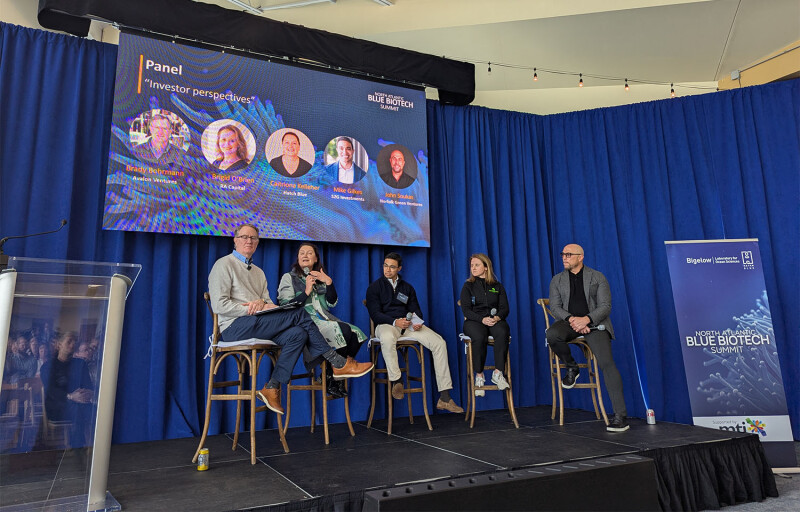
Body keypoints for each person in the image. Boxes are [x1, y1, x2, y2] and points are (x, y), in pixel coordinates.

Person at [208, 223, 373, 414]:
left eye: (253, 238)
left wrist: (263, 303)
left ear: (257, 243)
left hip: (258, 323)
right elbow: (219, 306)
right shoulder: (223, 264)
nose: (249, 241)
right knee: (299, 314)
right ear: (235, 240)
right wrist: (250, 308)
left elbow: (270, 303)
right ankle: (337, 362)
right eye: (244, 237)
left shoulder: (259, 272)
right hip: (233, 327)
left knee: (298, 333)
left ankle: (272, 386)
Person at [366, 252, 463, 413]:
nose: (387, 269)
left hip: (408, 326)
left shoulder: (407, 288)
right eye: (385, 265)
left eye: (391, 266)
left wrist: (417, 323)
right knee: (387, 337)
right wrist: (395, 321)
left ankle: (445, 397)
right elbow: (375, 314)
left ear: (399, 268)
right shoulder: (375, 287)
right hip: (386, 325)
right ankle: (397, 381)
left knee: (439, 342)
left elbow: (416, 310)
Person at [546, 244, 629, 432]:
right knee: (552, 334)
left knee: (607, 364)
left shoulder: (598, 277)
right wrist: (573, 320)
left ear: (580, 257)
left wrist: (587, 320)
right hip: (570, 323)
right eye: (563, 254)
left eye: (568, 254)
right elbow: (556, 307)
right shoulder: (557, 280)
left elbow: (605, 306)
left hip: (595, 325)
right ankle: (572, 367)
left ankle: (620, 416)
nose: (564, 258)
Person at [277, 243, 367, 398]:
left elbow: (332, 302)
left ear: (316, 258)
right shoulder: (289, 277)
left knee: (356, 333)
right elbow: (286, 305)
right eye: (302, 253)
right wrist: (306, 291)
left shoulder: (320, 277)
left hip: (324, 318)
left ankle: (330, 375)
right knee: (343, 330)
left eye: (309, 253)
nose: (305, 256)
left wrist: (329, 282)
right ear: (297, 258)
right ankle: (332, 378)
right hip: (303, 321)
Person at [459, 254, 511, 396]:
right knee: (479, 336)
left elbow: (505, 308)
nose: (473, 268)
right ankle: (479, 375)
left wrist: (497, 317)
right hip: (474, 321)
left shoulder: (497, 286)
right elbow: (466, 310)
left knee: (502, 331)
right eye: (472, 265)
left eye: (477, 265)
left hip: (494, 320)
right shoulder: (468, 286)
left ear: (486, 267)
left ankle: (498, 373)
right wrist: (482, 319)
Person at [40, 332, 94, 448]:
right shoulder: (47, 367)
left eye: (74, 341)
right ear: (59, 345)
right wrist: (71, 396)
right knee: (78, 408)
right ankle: (78, 447)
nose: (73, 344)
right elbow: (51, 391)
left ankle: (94, 445)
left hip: (81, 403)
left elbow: (88, 386)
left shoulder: (80, 364)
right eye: (69, 341)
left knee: (94, 410)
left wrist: (89, 393)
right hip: (57, 406)